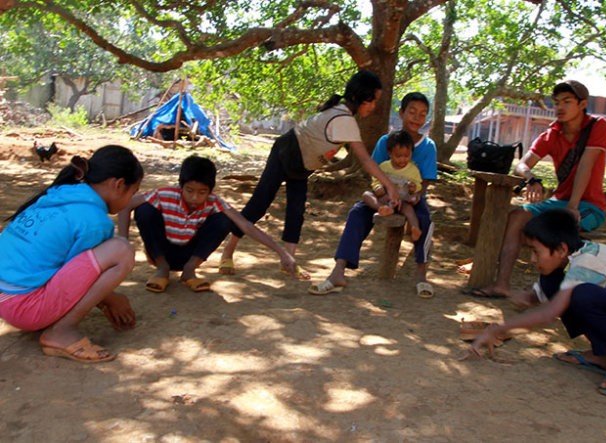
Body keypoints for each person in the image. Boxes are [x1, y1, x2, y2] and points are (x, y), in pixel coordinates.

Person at [219, 70, 400, 279]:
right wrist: (390, 185)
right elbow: (366, 160)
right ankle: (228, 251)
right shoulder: (344, 119)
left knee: (296, 211)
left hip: (301, 165)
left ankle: (289, 261)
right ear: (361, 97)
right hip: (285, 153)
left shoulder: (344, 115)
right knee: (260, 202)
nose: (374, 106)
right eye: (373, 100)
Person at [466, 209, 606, 398]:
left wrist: (499, 329)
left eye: (536, 251)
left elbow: (549, 313)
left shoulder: (587, 261)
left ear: (561, 249)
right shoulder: (571, 259)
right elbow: (543, 295)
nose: (533, 259)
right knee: (558, 285)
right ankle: (603, 356)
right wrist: (527, 297)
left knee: (582, 295)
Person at [470, 80, 606, 299]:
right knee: (516, 216)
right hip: (559, 201)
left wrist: (573, 207)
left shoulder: (598, 126)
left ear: (582, 104)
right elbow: (522, 165)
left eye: (567, 102)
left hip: (589, 205)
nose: (560, 107)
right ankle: (502, 284)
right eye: (556, 102)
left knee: (560, 233)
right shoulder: (551, 133)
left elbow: (586, 163)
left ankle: (559, 295)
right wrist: (532, 179)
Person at [0, 145, 144, 363]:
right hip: (22, 307)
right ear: (119, 185)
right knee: (121, 250)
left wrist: (106, 300)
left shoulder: (59, 194)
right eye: (132, 193)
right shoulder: (94, 220)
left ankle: (52, 321)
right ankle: (61, 332)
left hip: (5, 296)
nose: (130, 199)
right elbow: (80, 278)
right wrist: (112, 299)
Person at [309, 92, 437, 298]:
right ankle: (338, 272)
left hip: (411, 198)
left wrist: (416, 195)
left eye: (423, 114)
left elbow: (428, 179)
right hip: (384, 195)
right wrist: (383, 194)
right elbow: (375, 171)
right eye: (412, 112)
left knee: (424, 220)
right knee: (357, 213)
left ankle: (421, 275)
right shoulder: (385, 141)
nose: (417, 118)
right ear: (401, 112)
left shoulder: (428, 146)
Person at [117, 155, 297, 293]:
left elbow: (245, 225)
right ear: (181, 186)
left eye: (202, 192)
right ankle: (162, 269)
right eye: (189, 191)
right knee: (144, 209)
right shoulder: (163, 195)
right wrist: (123, 242)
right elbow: (126, 207)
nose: (195, 198)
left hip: (190, 255)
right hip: (161, 253)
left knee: (224, 220)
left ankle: (189, 271)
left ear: (210, 190)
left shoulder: (214, 202)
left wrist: (281, 252)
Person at [362, 130, 423, 241]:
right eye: (398, 156)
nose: (402, 159)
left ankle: (415, 227)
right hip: (385, 198)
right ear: (390, 154)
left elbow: (418, 185)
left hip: (402, 201)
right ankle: (382, 208)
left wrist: (413, 187)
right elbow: (376, 179)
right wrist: (377, 187)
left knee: (409, 210)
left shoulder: (413, 170)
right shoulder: (384, 166)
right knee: (366, 195)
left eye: (406, 156)